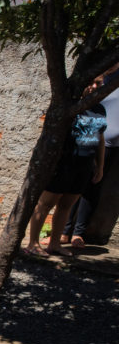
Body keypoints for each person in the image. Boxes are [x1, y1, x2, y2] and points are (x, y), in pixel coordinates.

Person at [24, 78, 107, 257]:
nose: (94, 87)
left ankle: (55, 244)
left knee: (66, 206)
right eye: (91, 82)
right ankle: (33, 244)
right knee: (46, 204)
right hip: (63, 163)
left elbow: (100, 139)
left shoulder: (100, 109)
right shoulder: (71, 106)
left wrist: (100, 166)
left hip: (84, 166)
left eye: (99, 84)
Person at [61, 66, 119, 248]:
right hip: (90, 141)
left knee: (92, 189)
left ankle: (78, 233)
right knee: (74, 188)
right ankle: (64, 231)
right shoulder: (101, 80)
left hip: (110, 145)